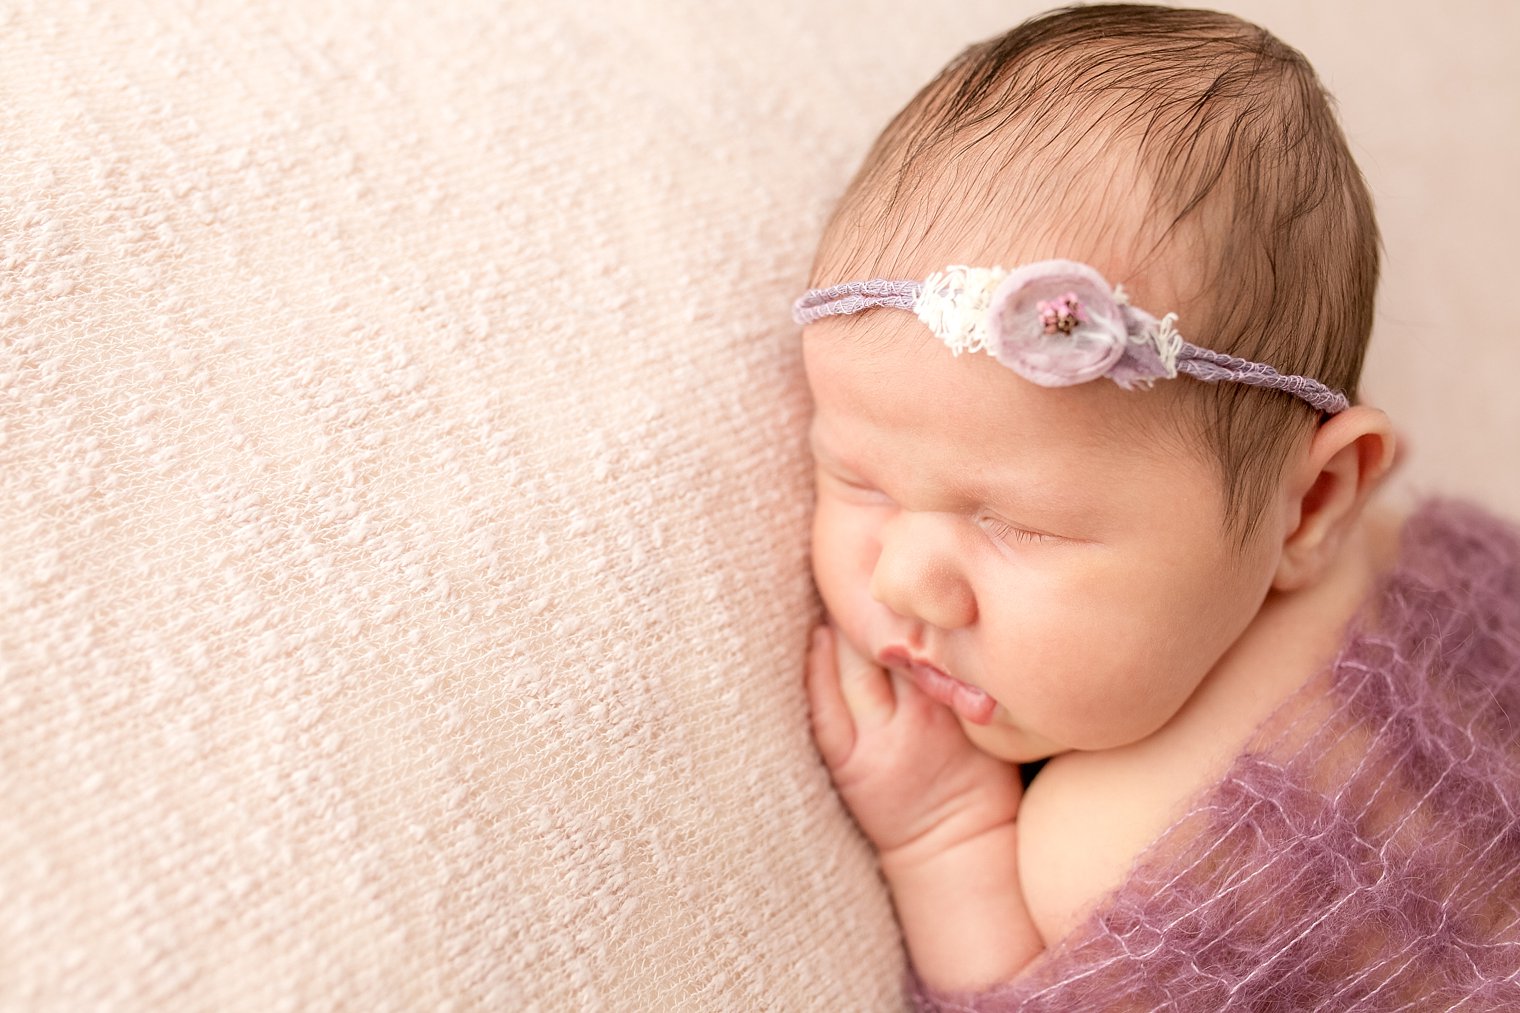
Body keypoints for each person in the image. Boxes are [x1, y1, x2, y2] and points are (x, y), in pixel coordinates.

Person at [791, 4, 1488, 1004]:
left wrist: (945, 834)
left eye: (1012, 520)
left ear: (1311, 501)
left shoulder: (1107, 860)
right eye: (856, 478)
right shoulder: (1380, 547)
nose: (902, 580)